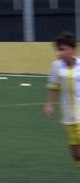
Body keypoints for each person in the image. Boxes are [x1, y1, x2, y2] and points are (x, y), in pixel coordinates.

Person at [44, 31, 80, 170]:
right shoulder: (56, 66)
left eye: (63, 49)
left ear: (73, 50)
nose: (60, 52)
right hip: (67, 116)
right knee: (75, 153)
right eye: (59, 49)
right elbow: (54, 87)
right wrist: (49, 104)